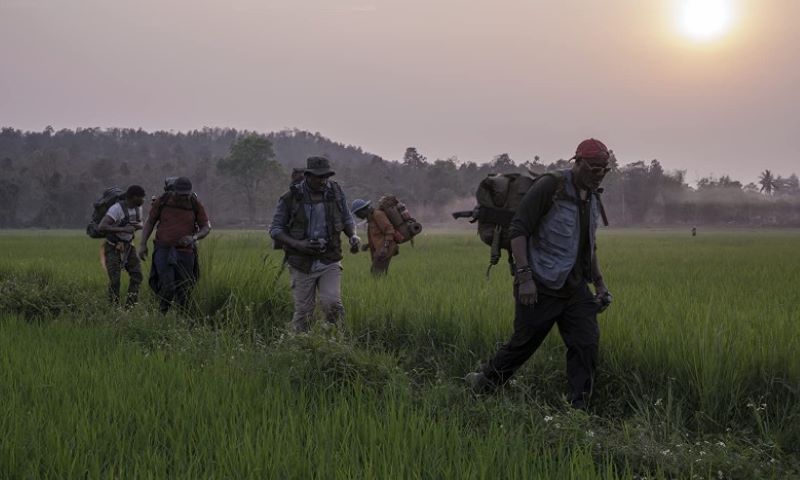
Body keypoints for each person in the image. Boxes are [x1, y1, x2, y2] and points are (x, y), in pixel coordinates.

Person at [465, 138, 614, 410]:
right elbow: (519, 229)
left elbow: (588, 245)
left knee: (586, 346)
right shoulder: (551, 186)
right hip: (541, 284)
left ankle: (578, 411)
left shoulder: (593, 196)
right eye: (594, 168)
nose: (599, 174)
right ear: (577, 162)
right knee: (522, 345)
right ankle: (482, 386)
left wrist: (601, 285)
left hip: (575, 287)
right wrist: (524, 278)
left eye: (604, 169)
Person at [269, 156, 361, 332]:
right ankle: (300, 346)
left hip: (330, 258)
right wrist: (298, 244)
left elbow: (347, 218)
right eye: (319, 176)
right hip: (301, 262)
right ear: (308, 175)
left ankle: (337, 341)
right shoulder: (290, 198)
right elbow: (275, 230)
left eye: (326, 176)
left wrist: (353, 236)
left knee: (332, 304)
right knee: (304, 312)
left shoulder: (336, 191)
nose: (323, 180)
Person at [138, 176, 211, 314]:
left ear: (189, 193)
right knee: (167, 286)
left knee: (185, 289)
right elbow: (150, 222)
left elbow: (206, 227)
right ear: (174, 191)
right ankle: (161, 316)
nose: (183, 198)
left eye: (185, 195)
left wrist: (193, 238)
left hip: (186, 252)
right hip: (163, 249)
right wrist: (142, 244)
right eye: (180, 195)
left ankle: (182, 319)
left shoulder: (194, 203)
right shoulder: (163, 201)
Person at [98, 185, 146, 307]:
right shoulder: (116, 209)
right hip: (112, 246)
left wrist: (136, 226)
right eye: (141, 198)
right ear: (133, 197)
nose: (143, 200)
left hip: (129, 246)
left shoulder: (138, 208)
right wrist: (123, 229)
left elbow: (140, 223)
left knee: (137, 276)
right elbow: (102, 227)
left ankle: (130, 307)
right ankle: (113, 308)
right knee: (115, 280)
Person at [351, 199, 398, 276]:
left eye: (357, 213)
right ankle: (383, 287)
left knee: (376, 274)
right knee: (378, 274)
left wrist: (385, 247)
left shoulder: (377, 214)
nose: (357, 216)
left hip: (385, 250)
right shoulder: (371, 219)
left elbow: (389, 230)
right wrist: (368, 245)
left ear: (362, 210)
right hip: (380, 251)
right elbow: (378, 236)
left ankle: (382, 287)